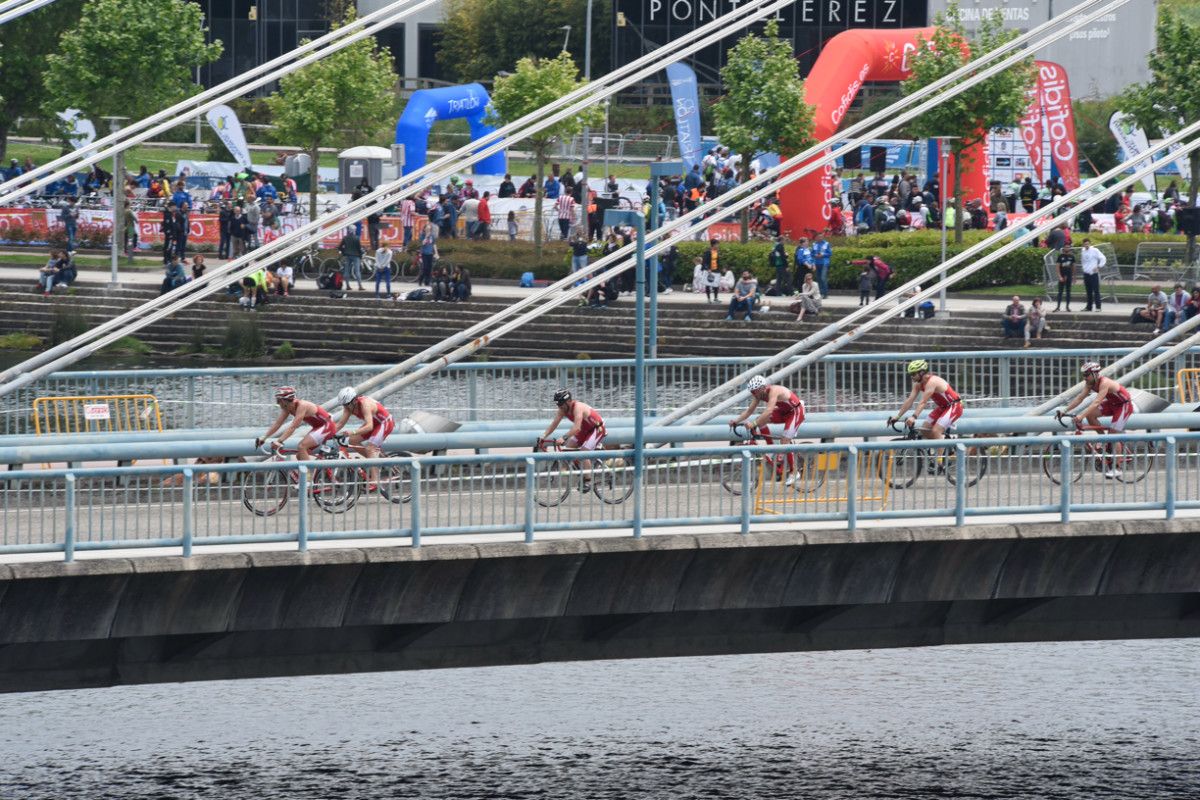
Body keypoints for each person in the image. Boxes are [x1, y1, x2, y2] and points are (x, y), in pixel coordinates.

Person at [1059, 362, 1138, 478]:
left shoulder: (1104, 383)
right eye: (1083, 375)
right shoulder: (1089, 383)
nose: (1084, 378)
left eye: (1086, 375)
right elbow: (1079, 398)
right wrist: (1065, 411)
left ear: (1095, 374)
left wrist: (1080, 416)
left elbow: (1096, 402)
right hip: (1112, 403)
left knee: (1113, 436)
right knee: (1090, 416)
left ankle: (1117, 468)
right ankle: (1104, 440)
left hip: (1123, 406)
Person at [727, 375, 807, 486]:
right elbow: (749, 411)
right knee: (760, 420)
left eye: (755, 392)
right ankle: (772, 449)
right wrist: (736, 421)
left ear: (762, 388)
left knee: (784, 441)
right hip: (784, 412)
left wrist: (753, 424)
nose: (754, 395)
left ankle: (794, 473)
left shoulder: (774, 391)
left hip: (795, 412)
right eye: (752, 392)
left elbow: (769, 411)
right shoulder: (759, 394)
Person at [333, 386, 395, 489]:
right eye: (344, 405)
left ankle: (375, 481)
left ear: (353, 401)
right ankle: (374, 462)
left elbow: (369, 426)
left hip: (385, 422)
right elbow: (340, 424)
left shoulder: (364, 404)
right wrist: (327, 433)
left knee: (370, 448)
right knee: (352, 441)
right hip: (375, 423)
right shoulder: (349, 407)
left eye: (347, 405)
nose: (345, 407)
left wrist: (352, 432)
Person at [887, 359, 962, 443]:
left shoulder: (932, 382)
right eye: (910, 374)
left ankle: (940, 456)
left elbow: (923, 402)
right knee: (925, 430)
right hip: (943, 407)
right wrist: (897, 416)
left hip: (954, 406)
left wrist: (914, 417)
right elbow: (910, 400)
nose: (911, 376)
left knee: (936, 431)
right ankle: (945, 446)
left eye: (913, 374)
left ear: (921, 373)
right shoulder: (918, 384)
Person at [256, 386, 337, 462]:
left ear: (284, 400)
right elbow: (277, 424)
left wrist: (279, 441)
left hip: (327, 426)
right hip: (318, 427)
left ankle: (308, 476)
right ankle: (310, 474)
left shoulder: (302, 406)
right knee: (299, 456)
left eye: (278, 400)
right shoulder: (287, 408)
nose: (278, 403)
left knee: (302, 447)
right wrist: (264, 437)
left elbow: (293, 427)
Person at [540, 389, 606, 482]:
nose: (559, 407)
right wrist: (543, 436)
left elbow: (577, 428)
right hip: (585, 430)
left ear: (568, 401)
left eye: (561, 404)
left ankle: (588, 480)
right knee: (569, 448)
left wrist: (564, 438)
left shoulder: (577, 407)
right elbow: (554, 424)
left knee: (584, 453)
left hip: (596, 429)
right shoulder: (562, 409)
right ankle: (584, 469)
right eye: (558, 404)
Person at [1080, 238, 1106, 311]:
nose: (1086, 245)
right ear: (1083, 244)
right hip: (1086, 274)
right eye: (1085, 244)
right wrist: (1084, 269)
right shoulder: (1083, 251)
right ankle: (1089, 307)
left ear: (1090, 244)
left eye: (1087, 244)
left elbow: (1103, 258)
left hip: (1093, 274)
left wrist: (1099, 266)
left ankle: (1098, 307)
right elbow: (1083, 262)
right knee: (1088, 292)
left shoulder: (1095, 250)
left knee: (1096, 291)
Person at [1055, 243, 1075, 312]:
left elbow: (1073, 267)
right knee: (1060, 292)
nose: (1067, 248)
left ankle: (1067, 307)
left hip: (1069, 277)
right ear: (1064, 248)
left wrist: (1073, 277)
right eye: (1066, 247)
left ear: (1070, 248)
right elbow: (1057, 267)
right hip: (1062, 277)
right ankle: (1058, 307)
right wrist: (1059, 276)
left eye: (1068, 247)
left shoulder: (1072, 257)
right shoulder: (1060, 256)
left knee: (1068, 292)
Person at [811, 232, 832, 298]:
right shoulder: (814, 244)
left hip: (824, 263)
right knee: (818, 279)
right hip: (817, 263)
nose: (819, 238)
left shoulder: (826, 244)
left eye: (821, 237)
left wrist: (823, 255)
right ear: (816, 237)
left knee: (823, 278)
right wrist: (815, 255)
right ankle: (820, 293)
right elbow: (812, 254)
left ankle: (825, 293)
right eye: (818, 237)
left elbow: (830, 253)